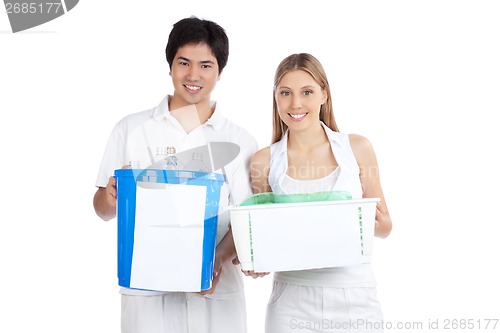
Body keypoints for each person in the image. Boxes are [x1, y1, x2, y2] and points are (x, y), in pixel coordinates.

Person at [93, 16, 257, 333]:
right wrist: (112, 196)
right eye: (184, 63)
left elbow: (248, 221)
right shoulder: (131, 129)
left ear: (220, 72)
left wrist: (217, 262)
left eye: (206, 66)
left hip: (215, 296)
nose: (193, 75)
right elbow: (101, 210)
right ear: (170, 66)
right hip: (146, 295)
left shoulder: (240, 141)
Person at [249, 53, 392, 332]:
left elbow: (386, 227)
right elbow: (263, 240)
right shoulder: (262, 161)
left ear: (324, 94)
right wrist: (255, 260)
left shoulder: (358, 148)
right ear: (275, 97)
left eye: (307, 92)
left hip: (354, 296)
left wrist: (366, 218)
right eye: (286, 93)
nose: (296, 104)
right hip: (291, 301)